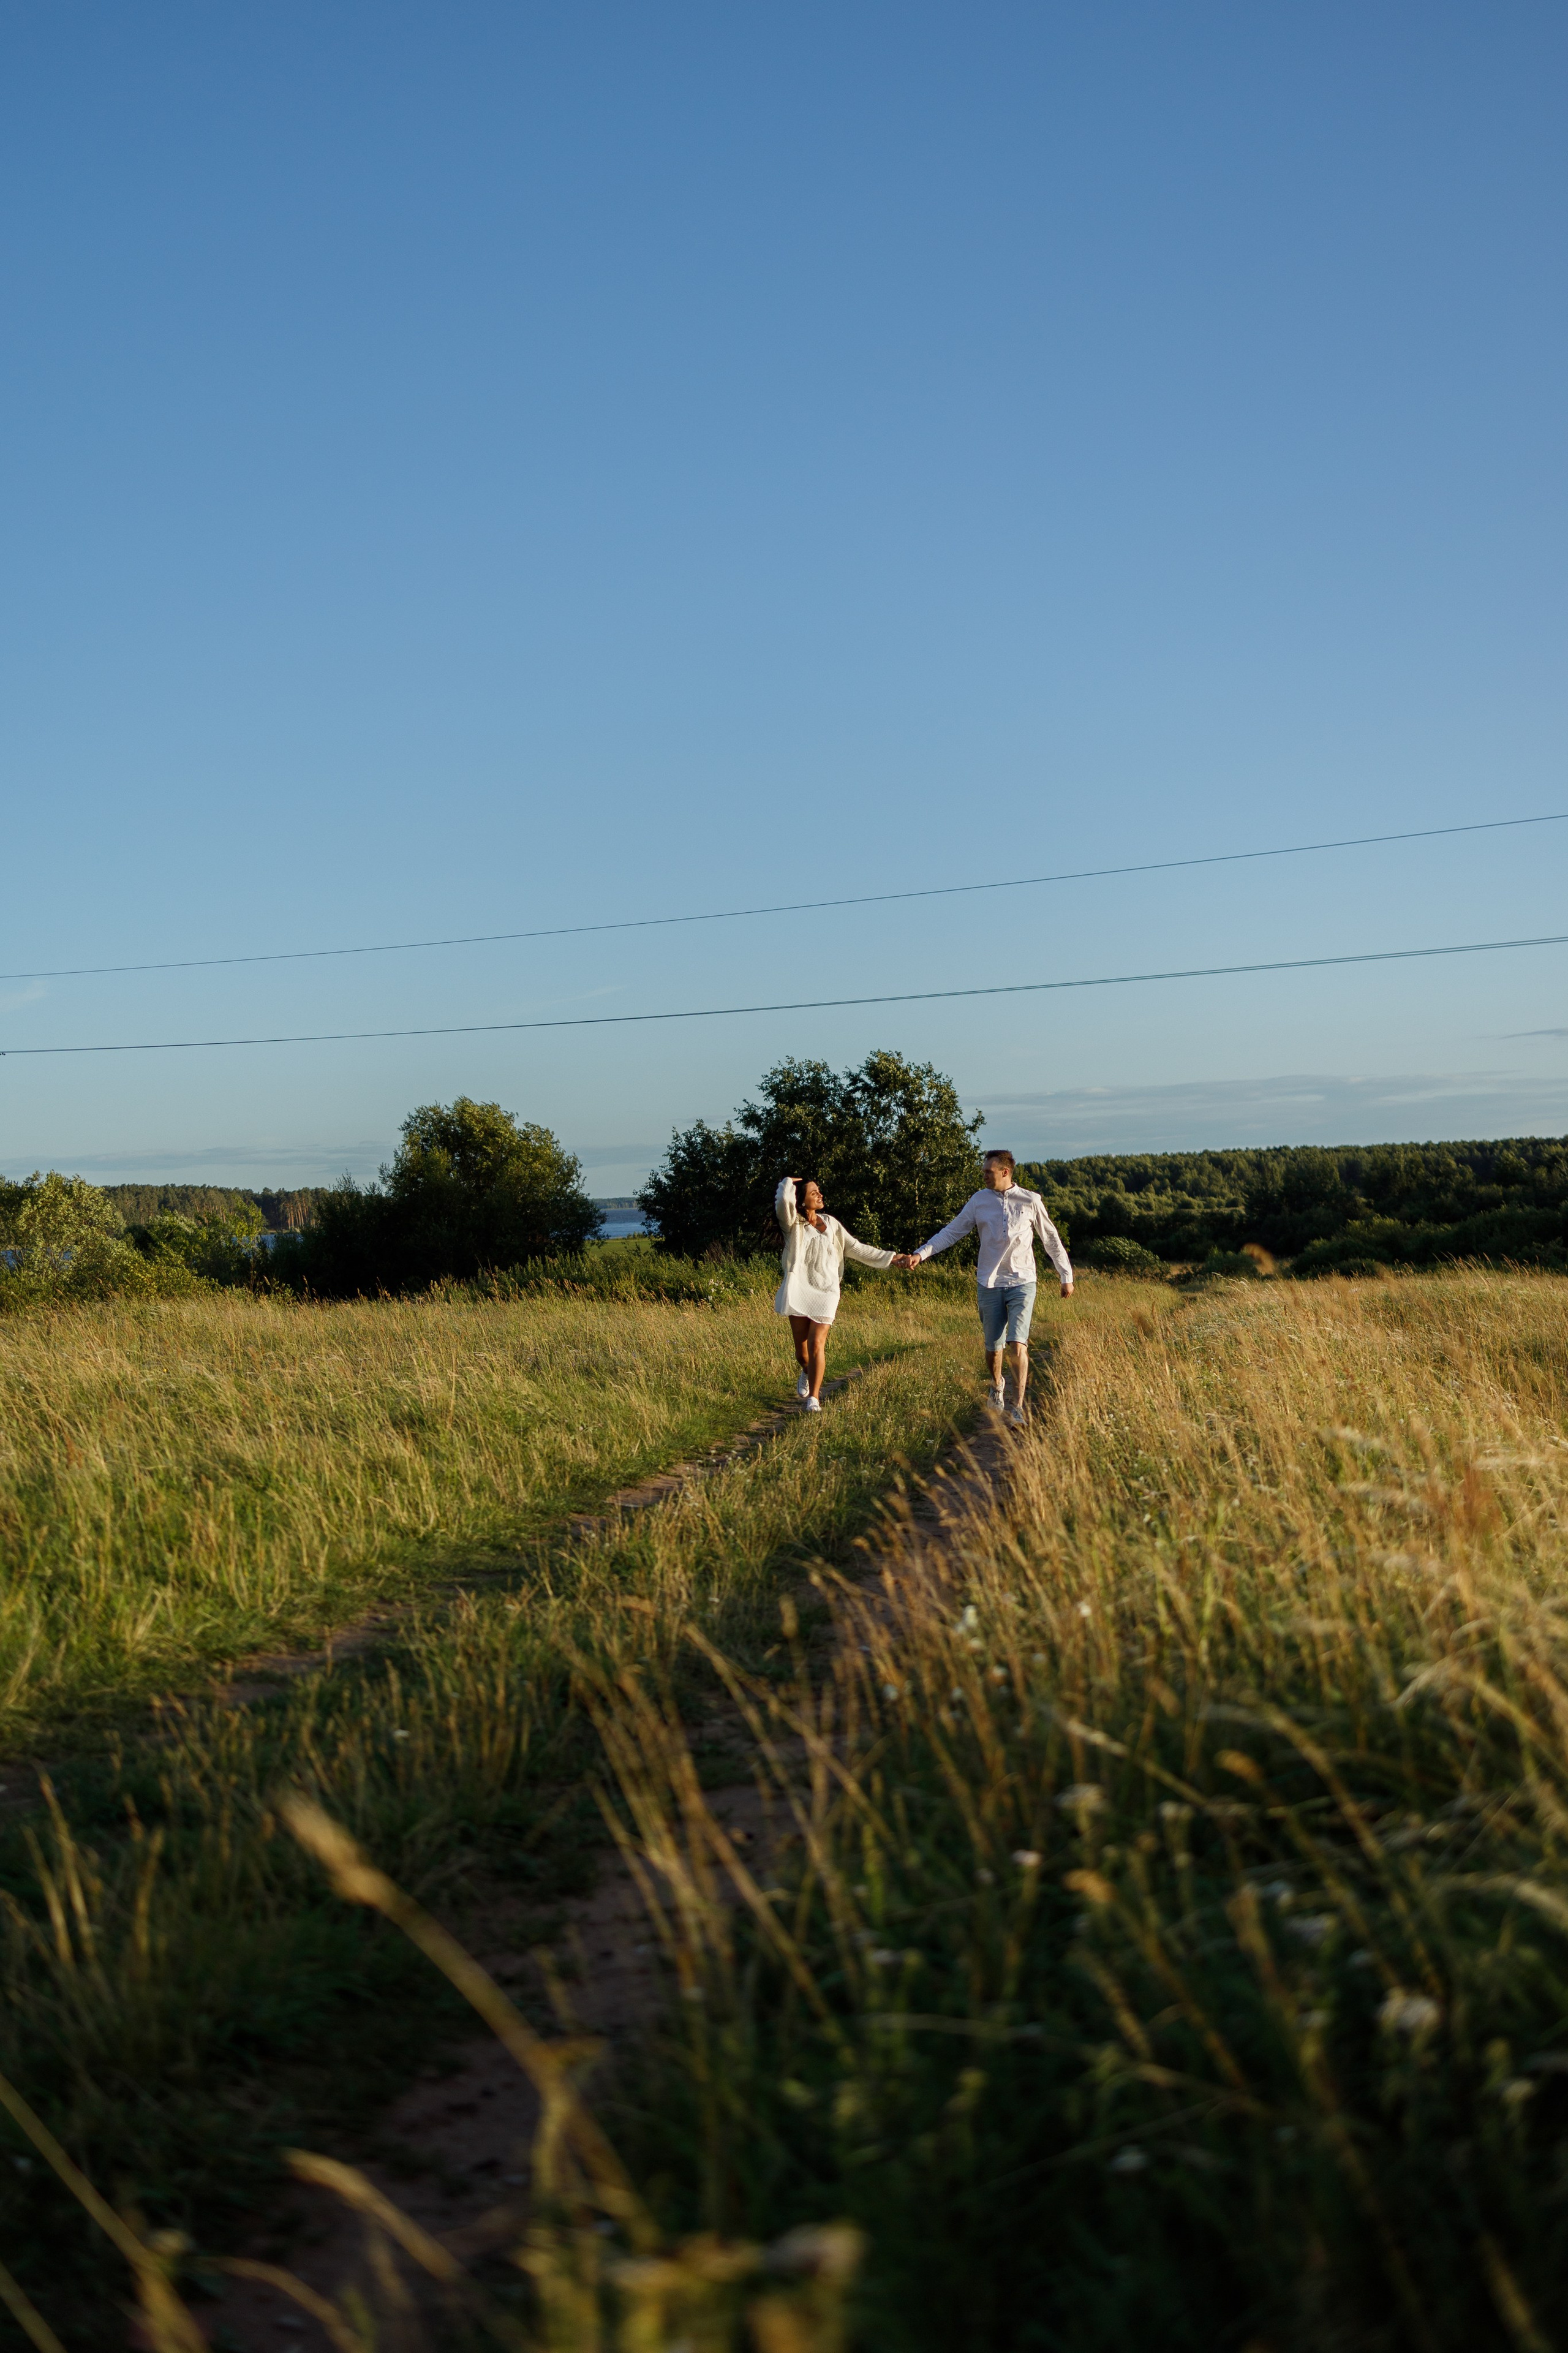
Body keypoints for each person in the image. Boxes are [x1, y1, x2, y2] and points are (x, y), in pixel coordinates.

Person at [907, 1149, 1072, 1426]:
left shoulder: (1031, 1200)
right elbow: (952, 1231)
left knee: (1018, 1344)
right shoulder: (978, 1201)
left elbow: (1051, 1239)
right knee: (993, 1348)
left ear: (1005, 1172)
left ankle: (1017, 1406)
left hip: (1023, 1281)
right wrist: (921, 1254)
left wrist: (1065, 1273)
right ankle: (997, 1385)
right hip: (989, 1282)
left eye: (988, 1171)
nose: (984, 1175)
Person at [774, 1175, 918, 1411]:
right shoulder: (793, 1224)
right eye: (814, 1193)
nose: (820, 1195)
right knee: (803, 1354)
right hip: (800, 1289)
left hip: (827, 1291)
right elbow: (783, 1204)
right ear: (801, 1202)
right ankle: (806, 1371)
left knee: (817, 1344)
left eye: (819, 1191)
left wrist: (892, 1258)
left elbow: (856, 1248)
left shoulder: (831, 1223)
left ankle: (814, 1398)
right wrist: (788, 1183)